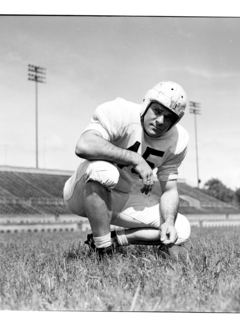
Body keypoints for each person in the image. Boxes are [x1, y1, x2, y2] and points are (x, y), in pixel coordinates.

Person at [63, 81, 191, 258]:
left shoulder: (178, 139)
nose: (161, 121)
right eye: (157, 111)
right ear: (146, 104)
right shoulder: (122, 112)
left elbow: (169, 190)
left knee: (181, 228)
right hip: (83, 192)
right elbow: (84, 145)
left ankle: (113, 240)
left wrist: (168, 221)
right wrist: (134, 158)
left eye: (169, 117)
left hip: (123, 197)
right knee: (104, 170)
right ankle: (104, 252)